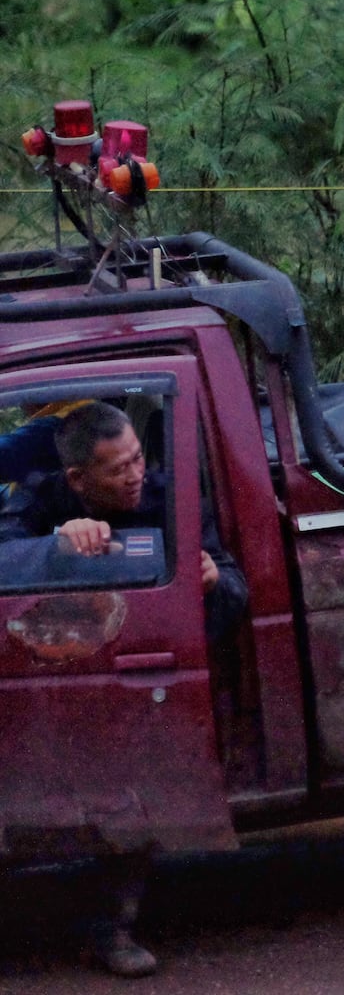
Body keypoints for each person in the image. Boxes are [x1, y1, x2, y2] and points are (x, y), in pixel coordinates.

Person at [0, 400, 249, 975]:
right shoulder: (43, 498)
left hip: (142, 673)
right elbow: (5, 550)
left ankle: (110, 926)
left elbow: (237, 593)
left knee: (132, 782)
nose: (136, 475)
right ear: (78, 480)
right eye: (119, 470)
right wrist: (57, 543)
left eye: (139, 459)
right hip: (54, 674)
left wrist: (215, 583)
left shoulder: (174, 498)